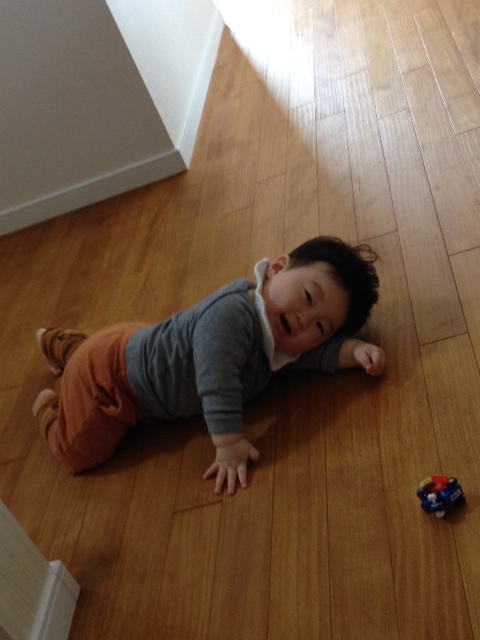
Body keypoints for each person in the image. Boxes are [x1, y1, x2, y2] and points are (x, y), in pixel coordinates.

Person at [32, 236, 385, 494]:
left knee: (91, 350)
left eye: (320, 327)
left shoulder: (280, 337)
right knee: (78, 453)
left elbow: (310, 356)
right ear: (277, 268)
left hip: (134, 345)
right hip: (114, 384)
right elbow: (216, 381)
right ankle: (48, 406)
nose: (304, 319)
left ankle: (60, 343)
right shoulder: (233, 315)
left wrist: (355, 351)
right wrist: (229, 444)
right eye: (307, 297)